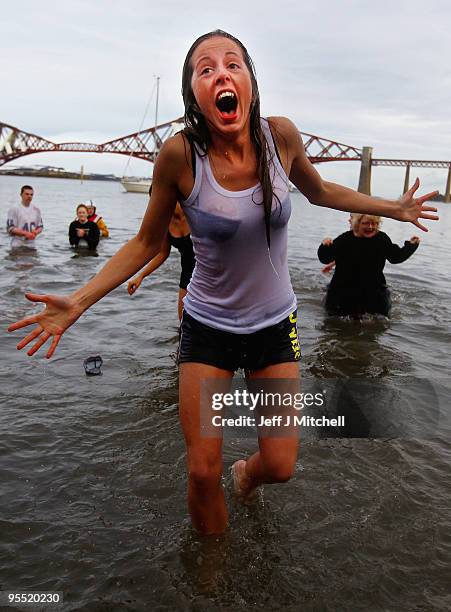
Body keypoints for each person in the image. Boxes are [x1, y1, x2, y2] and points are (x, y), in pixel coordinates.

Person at [8, 31, 439, 535]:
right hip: (208, 327)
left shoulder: (281, 138)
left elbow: (320, 191)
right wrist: (79, 302)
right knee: (199, 471)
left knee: (279, 466)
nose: (220, 73)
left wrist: (395, 208)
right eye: (204, 68)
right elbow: (147, 242)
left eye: (232, 64)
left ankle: (246, 477)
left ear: (251, 82)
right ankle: (210, 577)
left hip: (275, 327)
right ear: (194, 94)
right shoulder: (179, 156)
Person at [318, 214, 420, 317]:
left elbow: (396, 257)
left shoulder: (382, 238)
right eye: (366, 223)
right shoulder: (344, 239)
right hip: (343, 290)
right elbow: (325, 258)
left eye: (375, 223)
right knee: (335, 320)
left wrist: (411, 246)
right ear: (357, 224)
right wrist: (324, 246)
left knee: (379, 317)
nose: (370, 227)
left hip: (374, 290)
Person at [128, 202, 195, 320]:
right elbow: (162, 253)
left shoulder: (194, 211)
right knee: (183, 323)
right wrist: (141, 276)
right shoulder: (165, 221)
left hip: (210, 272)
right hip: (186, 275)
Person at [6, 185, 43, 249]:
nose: (29, 196)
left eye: (31, 195)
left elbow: (40, 226)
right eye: (27, 194)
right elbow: (10, 228)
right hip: (17, 244)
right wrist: (26, 233)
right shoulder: (14, 209)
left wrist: (36, 232)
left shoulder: (36, 209)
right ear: (21, 194)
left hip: (32, 245)